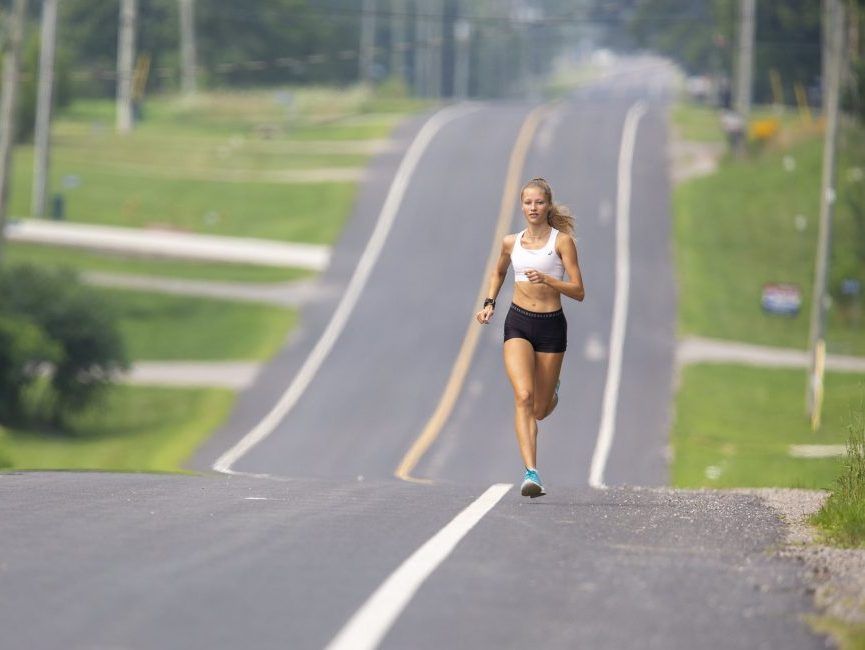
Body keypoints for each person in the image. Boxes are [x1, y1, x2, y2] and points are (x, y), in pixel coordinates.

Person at [475, 178, 585, 497]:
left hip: (551, 326)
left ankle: (552, 391)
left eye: (539, 203)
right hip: (518, 323)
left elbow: (579, 291)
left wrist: (550, 280)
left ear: (547, 205)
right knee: (522, 396)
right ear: (521, 206)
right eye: (528, 203)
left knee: (539, 408)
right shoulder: (511, 242)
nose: (533, 208)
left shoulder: (562, 242)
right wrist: (489, 303)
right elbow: (498, 271)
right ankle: (531, 473)